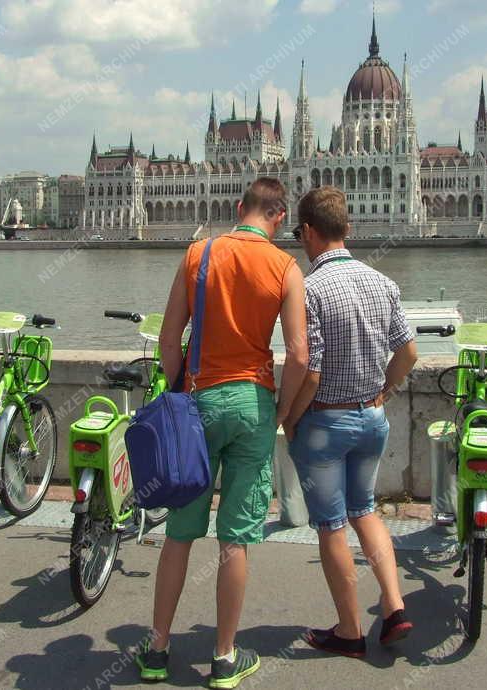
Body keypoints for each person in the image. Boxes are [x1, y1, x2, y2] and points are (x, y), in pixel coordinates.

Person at [135, 177, 308, 688]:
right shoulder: (284, 266)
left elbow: (169, 339)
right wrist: (279, 410)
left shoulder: (198, 253)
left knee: (180, 535)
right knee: (235, 540)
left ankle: (158, 650)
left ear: (240, 208)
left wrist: (176, 389)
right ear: (278, 217)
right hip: (253, 403)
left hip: (197, 401)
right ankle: (225, 658)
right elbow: (298, 354)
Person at [282, 186, 418, 658]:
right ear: (349, 229)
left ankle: (350, 630)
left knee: (332, 526)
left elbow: (310, 368)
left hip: (324, 425)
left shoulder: (308, 288)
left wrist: (289, 418)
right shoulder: (383, 283)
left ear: (310, 233)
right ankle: (396, 606)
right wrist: (386, 389)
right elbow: (409, 352)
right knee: (366, 512)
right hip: (371, 419)